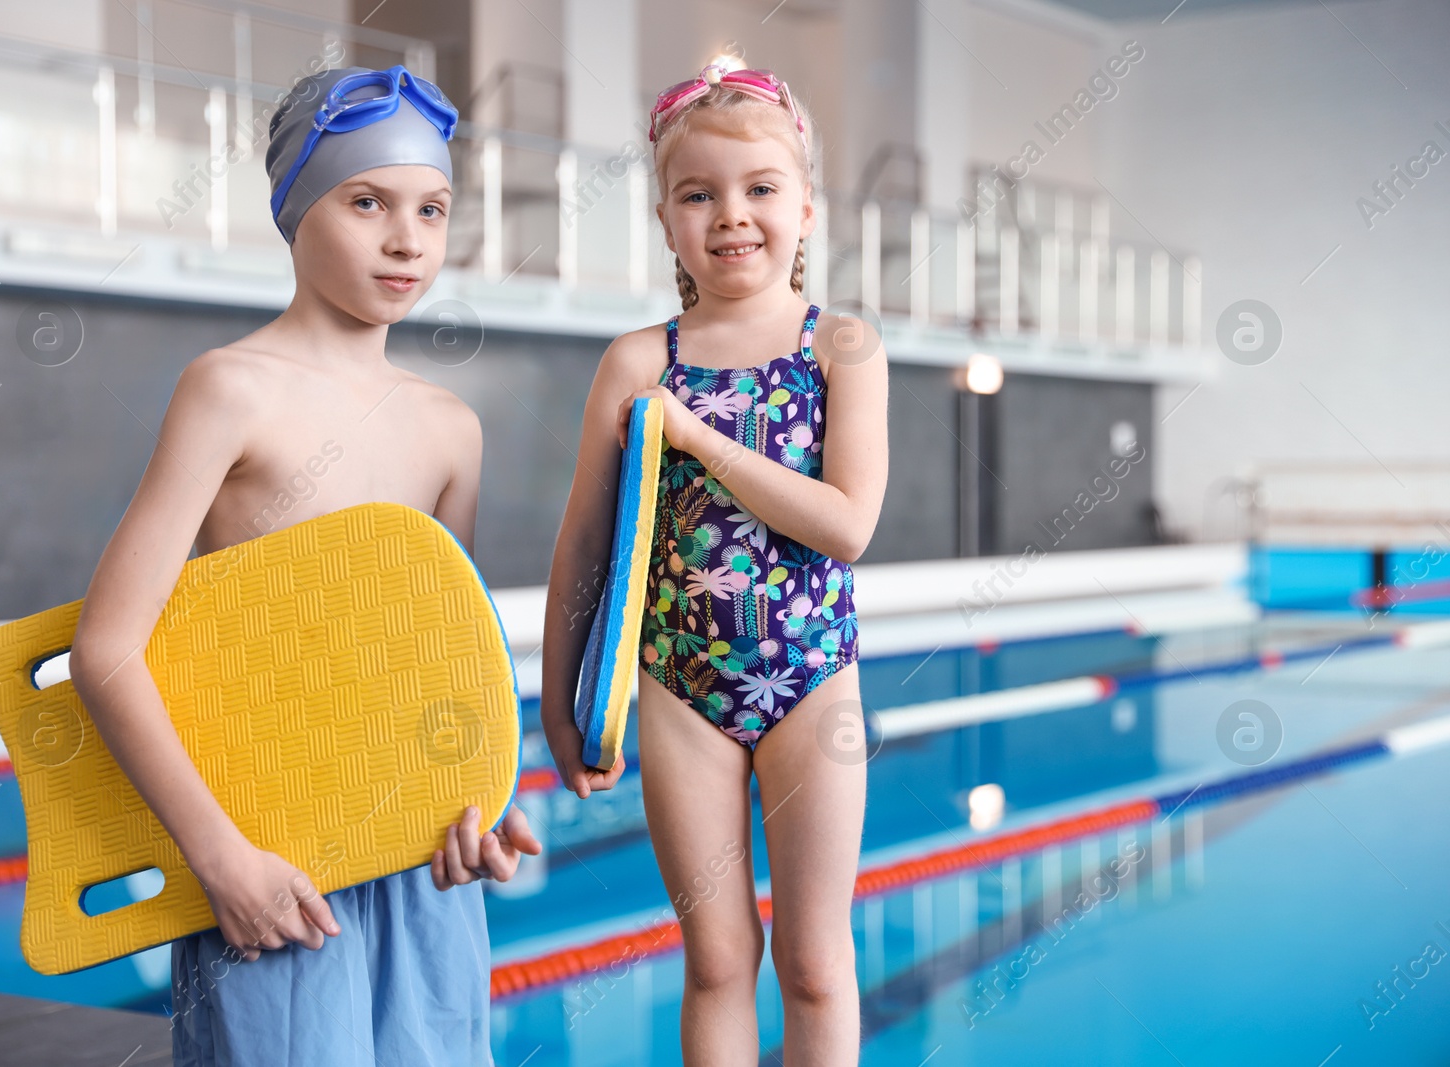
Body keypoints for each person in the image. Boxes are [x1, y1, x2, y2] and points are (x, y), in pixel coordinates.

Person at [67, 65, 538, 1067]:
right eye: (365, 201)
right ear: (294, 208)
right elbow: (107, 647)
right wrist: (220, 856)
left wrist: (480, 807)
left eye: (431, 208)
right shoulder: (231, 389)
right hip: (269, 852)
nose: (405, 237)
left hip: (416, 873)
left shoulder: (450, 429)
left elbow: (440, 669)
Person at [540, 62, 889, 1066]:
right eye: (699, 194)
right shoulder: (639, 360)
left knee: (816, 961)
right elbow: (584, 543)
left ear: (807, 209)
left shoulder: (842, 347)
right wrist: (560, 704)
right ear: (666, 220)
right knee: (716, 957)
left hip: (813, 681)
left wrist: (700, 441)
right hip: (678, 687)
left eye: (759, 188)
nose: (730, 215)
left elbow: (846, 524)